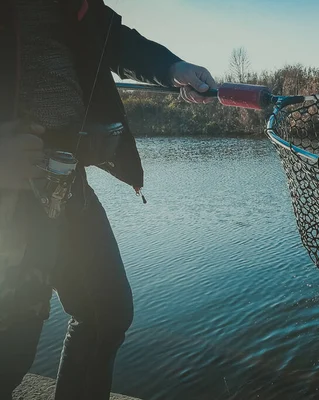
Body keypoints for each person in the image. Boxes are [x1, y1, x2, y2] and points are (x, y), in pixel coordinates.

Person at [0, 1, 216, 399]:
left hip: (66, 177)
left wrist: (173, 69)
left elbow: (113, 39)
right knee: (11, 345)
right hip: (8, 199)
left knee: (106, 314)